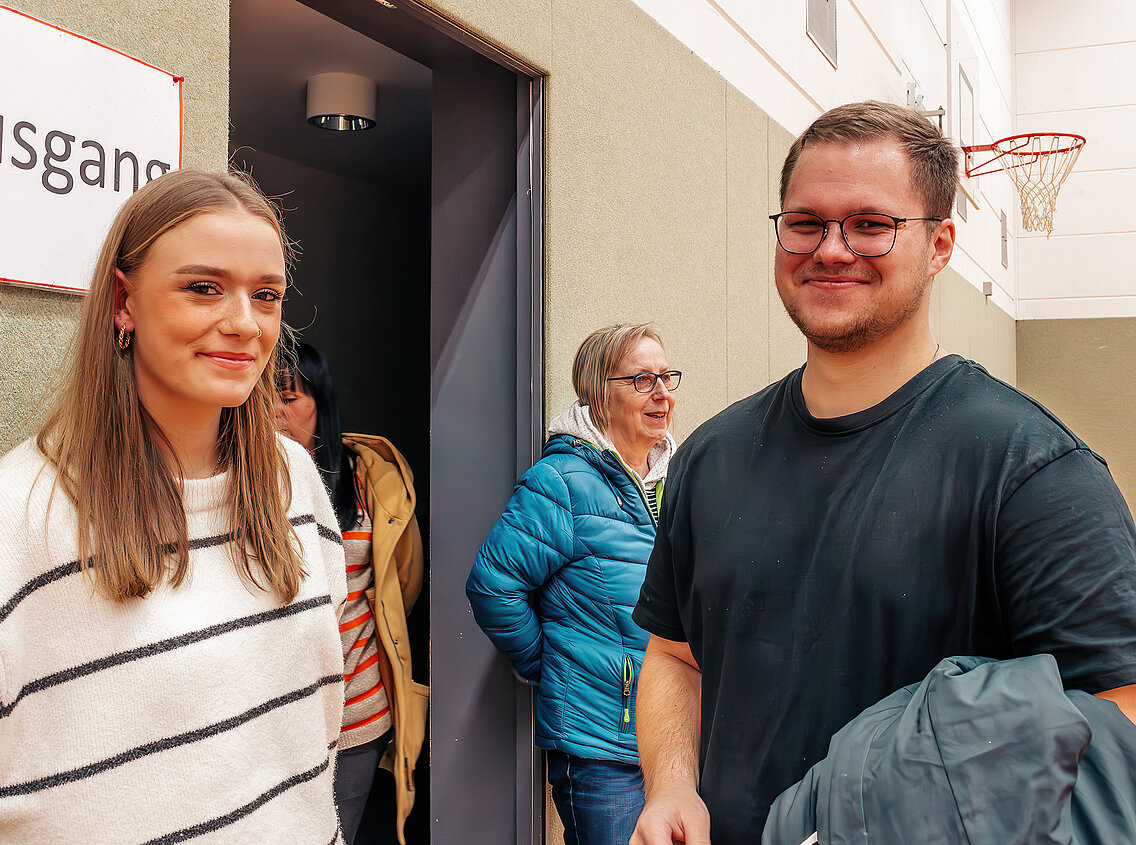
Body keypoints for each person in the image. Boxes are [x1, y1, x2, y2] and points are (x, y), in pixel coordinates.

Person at [630, 101, 1136, 845]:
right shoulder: (710, 456)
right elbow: (676, 656)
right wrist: (672, 785)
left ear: (940, 245)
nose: (831, 249)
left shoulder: (1032, 471)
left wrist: (894, 814)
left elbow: (1118, 712)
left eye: (871, 225)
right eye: (805, 223)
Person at [0, 169, 349, 843]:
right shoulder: (14, 519)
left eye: (266, 295)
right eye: (204, 288)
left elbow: (312, 729)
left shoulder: (294, 480)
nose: (244, 324)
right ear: (123, 301)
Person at [467, 323, 680, 845]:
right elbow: (493, 585)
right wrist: (549, 665)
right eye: (642, 379)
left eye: (667, 377)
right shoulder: (562, 481)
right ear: (599, 394)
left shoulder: (674, 478)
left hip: (670, 738)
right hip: (601, 749)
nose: (662, 393)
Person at [276, 340, 427, 844]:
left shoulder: (368, 481)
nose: (274, 412)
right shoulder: (242, 482)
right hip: (278, 714)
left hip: (358, 711)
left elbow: (400, 586)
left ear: (321, 404)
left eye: (288, 398)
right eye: (261, 399)